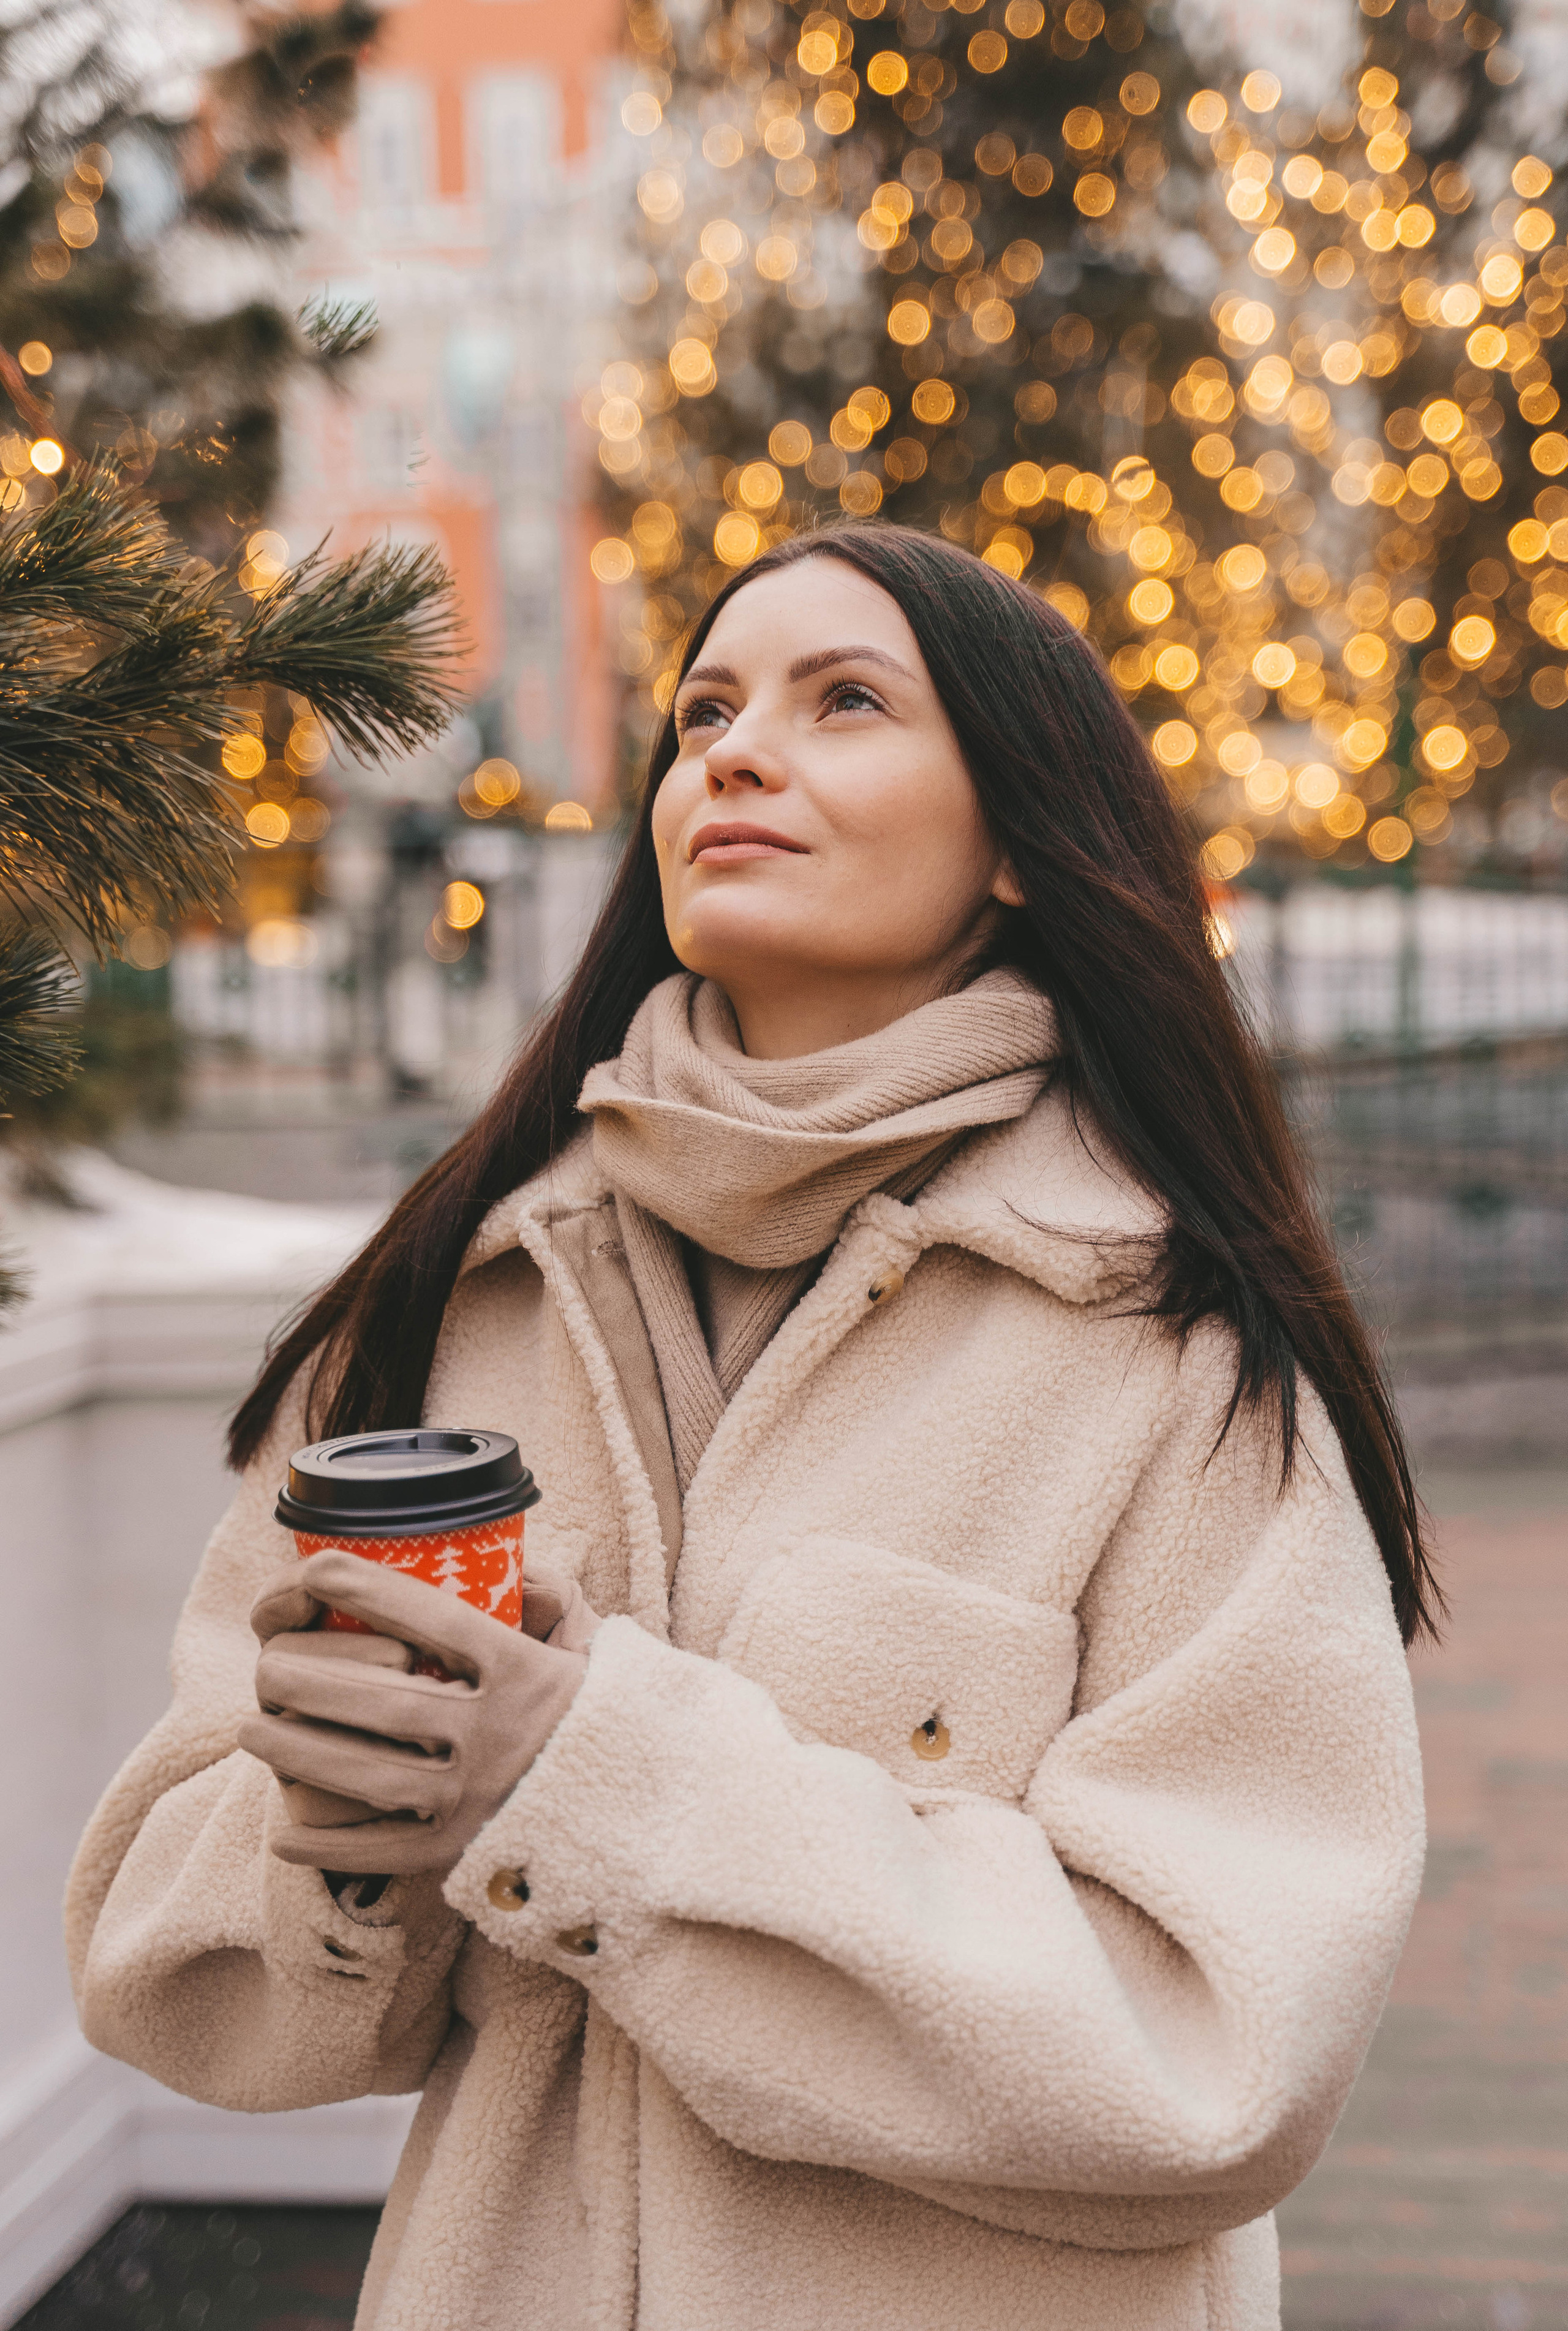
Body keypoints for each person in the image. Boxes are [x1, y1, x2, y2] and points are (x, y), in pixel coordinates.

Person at [67, 524, 1433, 2331]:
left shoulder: (1170, 1347)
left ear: (1019, 837)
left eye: (844, 701)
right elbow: (166, 1975)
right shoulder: (461, 1296)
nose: (735, 754)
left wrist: (593, 1775)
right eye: (704, 713)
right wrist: (347, 1821)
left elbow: (1222, 2050)